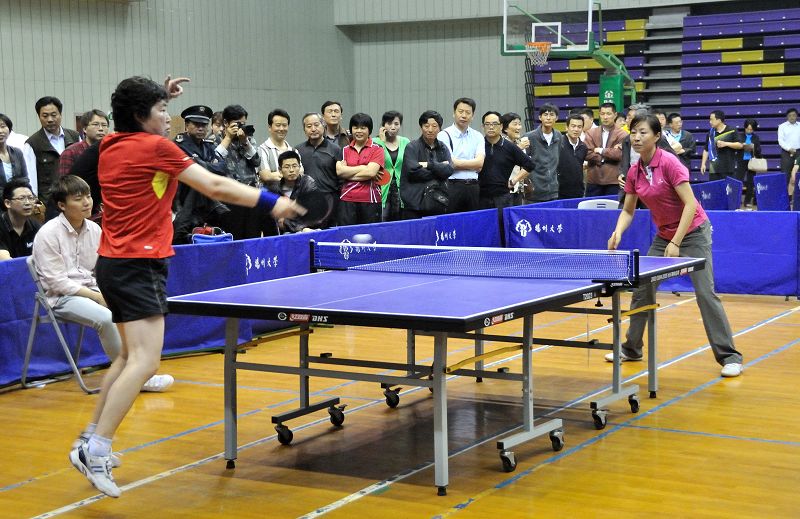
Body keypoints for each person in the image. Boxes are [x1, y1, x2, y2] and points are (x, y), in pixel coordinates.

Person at [68, 75, 300, 498]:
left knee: (126, 359)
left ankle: (89, 438)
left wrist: (158, 94)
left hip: (113, 263)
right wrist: (272, 201)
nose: (168, 117)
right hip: (138, 265)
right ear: (141, 115)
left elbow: (135, 120)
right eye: (161, 110)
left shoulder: (111, 144)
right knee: (145, 363)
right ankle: (97, 449)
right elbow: (213, 184)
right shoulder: (157, 147)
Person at [607, 113, 743, 378]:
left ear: (657, 136)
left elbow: (691, 204)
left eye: (643, 132)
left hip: (693, 232)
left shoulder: (670, 163)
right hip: (665, 235)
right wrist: (618, 231)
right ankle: (631, 348)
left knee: (705, 293)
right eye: (634, 132)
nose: (637, 137)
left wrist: (676, 242)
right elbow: (628, 210)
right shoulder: (635, 171)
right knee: (642, 288)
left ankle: (730, 356)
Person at [33, 175, 174, 395]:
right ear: (61, 205)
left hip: (94, 290)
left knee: (133, 308)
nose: (86, 202)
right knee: (107, 318)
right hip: (61, 298)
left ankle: (139, 370)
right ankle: (135, 379)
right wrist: (97, 296)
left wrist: (109, 292)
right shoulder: (48, 234)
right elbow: (56, 282)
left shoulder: (95, 229)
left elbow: (100, 269)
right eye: (78, 199)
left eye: (88, 196)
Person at [172, 105, 228, 243]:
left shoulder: (208, 146)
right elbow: (190, 171)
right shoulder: (177, 145)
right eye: (196, 124)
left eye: (204, 125)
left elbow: (222, 168)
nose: (201, 128)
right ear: (187, 125)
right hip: (183, 198)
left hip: (205, 200)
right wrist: (208, 166)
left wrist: (200, 164)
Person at [215, 104, 265, 239]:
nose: (241, 127)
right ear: (226, 123)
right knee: (233, 237)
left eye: (243, 124)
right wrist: (228, 138)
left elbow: (257, 161)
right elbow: (214, 163)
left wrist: (245, 142)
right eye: (237, 124)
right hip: (229, 199)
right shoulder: (216, 139)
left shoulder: (248, 138)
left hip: (250, 195)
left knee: (252, 236)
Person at [23, 96, 81, 202]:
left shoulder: (75, 137)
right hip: (49, 201)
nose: (50, 120)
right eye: (45, 116)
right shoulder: (32, 143)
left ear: (60, 115)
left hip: (75, 197)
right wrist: (34, 201)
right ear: (39, 117)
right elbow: (30, 178)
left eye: (54, 115)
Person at [400, 110, 454, 219]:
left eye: (434, 126)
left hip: (437, 202)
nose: (430, 130)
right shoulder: (412, 147)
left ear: (440, 128)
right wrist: (439, 169)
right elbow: (413, 172)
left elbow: (449, 170)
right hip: (415, 204)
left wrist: (429, 165)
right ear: (421, 127)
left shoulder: (443, 148)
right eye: (426, 126)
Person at [336, 113, 385, 226]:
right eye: (355, 127)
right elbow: (339, 172)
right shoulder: (344, 150)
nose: (359, 131)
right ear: (351, 129)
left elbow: (371, 172)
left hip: (370, 200)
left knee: (370, 234)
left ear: (369, 130)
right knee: (347, 234)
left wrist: (348, 173)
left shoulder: (377, 149)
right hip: (347, 199)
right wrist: (363, 167)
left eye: (363, 128)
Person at [478, 111, 533, 209]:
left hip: (502, 197)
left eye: (495, 124)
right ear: (483, 126)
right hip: (480, 196)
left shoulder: (509, 146)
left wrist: (514, 180)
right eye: (487, 124)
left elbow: (530, 165)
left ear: (501, 126)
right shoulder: (478, 145)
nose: (491, 127)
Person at [438, 97, 485, 213]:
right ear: (454, 113)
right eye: (460, 111)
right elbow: (450, 163)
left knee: (473, 221)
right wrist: (472, 165)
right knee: (451, 221)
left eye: (468, 112)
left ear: (472, 116)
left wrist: (457, 163)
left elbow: (480, 163)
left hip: (473, 187)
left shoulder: (478, 136)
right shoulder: (443, 135)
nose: (464, 115)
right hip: (452, 186)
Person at [295, 112, 340, 227]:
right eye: (309, 126)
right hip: (306, 201)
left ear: (323, 126)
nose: (313, 129)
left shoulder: (335, 149)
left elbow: (341, 178)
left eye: (316, 125)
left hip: (330, 199)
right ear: (304, 129)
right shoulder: (297, 150)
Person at [266, 150, 328, 233]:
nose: (291, 170)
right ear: (280, 170)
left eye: (294, 166)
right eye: (287, 167)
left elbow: (311, 213)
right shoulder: (274, 189)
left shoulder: (307, 183)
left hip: (310, 229)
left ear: (299, 167)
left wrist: (287, 222)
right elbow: (276, 220)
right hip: (285, 233)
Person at [584, 102, 627, 197]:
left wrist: (601, 151)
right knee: (591, 206)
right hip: (593, 180)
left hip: (614, 181)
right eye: (602, 114)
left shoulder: (622, 134)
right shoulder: (591, 133)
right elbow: (586, 153)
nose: (605, 117)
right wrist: (606, 156)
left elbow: (619, 154)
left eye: (608, 114)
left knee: (613, 206)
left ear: (615, 115)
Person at [373, 111, 409, 221]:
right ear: (383, 125)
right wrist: (382, 142)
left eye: (396, 124)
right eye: (389, 123)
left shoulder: (405, 142)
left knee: (400, 220)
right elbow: (378, 160)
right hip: (382, 187)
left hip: (401, 188)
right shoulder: (375, 142)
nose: (393, 127)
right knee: (382, 219)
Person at [523, 103, 563, 202]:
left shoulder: (559, 136)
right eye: (545, 115)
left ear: (557, 118)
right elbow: (523, 163)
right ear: (540, 117)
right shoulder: (529, 137)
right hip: (534, 191)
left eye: (552, 115)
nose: (548, 118)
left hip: (553, 191)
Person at [58, 110, 109, 177]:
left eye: (104, 125)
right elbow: (66, 181)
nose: (101, 129)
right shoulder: (71, 152)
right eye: (96, 124)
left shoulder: (110, 151)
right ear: (85, 129)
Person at [0, 178, 41, 260]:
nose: (28, 203)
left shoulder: (36, 226)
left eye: (31, 198)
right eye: (22, 198)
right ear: (7, 203)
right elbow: (6, 263)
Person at [700, 110, 742, 182]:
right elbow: (706, 149)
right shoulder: (710, 133)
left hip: (728, 169)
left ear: (719, 120)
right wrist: (703, 164)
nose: (710, 122)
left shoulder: (732, 130)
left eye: (712, 119)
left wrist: (726, 144)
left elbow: (740, 145)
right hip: (714, 169)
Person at [557, 113, 588, 199]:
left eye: (579, 127)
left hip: (578, 192)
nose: (576, 129)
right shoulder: (558, 144)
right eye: (573, 126)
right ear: (566, 127)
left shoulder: (583, 147)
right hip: (559, 192)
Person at [736, 118, 762, 208]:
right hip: (741, 160)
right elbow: (736, 147)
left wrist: (754, 148)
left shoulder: (756, 137)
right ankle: (737, 200)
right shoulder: (740, 136)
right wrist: (742, 145)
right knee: (738, 180)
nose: (749, 131)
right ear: (745, 127)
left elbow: (759, 150)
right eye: (748, 129)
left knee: (751, 182)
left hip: (752, 161)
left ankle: (747, 201)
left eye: (751, 129)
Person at [0, 113, 29, 188]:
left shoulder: (17, 152)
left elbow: (25, 179)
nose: (0, 131)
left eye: (3, 126)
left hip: (19, 194)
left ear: (9, 129)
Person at [778, 108, 799, 186]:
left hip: (799, 153)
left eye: (793, 115)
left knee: (798, 174)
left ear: (797, 116)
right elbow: (780, 140)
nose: (792, 117)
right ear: (787, 116)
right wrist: (789, 149)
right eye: (790, 115)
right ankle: (785, 193)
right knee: (785, 174)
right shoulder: (782, 126)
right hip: (786, 153)